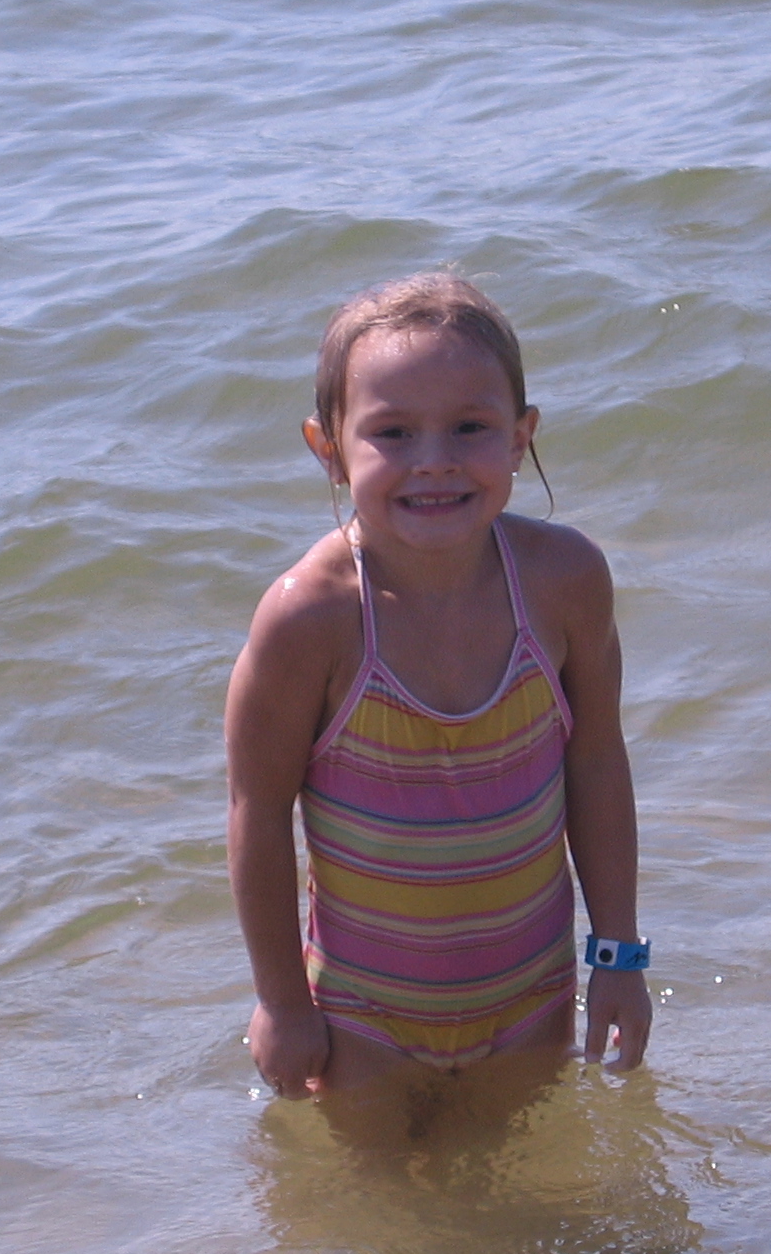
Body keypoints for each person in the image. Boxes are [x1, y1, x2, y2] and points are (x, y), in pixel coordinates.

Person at [225, 272, 653, 1111]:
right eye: (392, 432)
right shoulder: (310, 618)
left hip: (531, 996)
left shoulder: (563, 582)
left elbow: (598, 763)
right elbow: (257, 811)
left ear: (522, 436)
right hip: (363, 1017)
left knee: (531, 1190)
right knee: (369, 1197)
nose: (435, 461)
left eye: (470, 427)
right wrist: (281, 1003)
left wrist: (619, 956)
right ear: (328, 448)